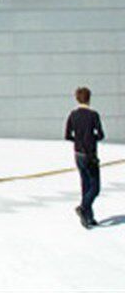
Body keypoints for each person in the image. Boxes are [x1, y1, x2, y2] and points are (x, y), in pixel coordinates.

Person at [64, 87, 105, 228]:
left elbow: (67, 135)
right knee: (95, 187)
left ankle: (88, 217)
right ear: (89, 99)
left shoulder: (73, 115)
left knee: (85, 185)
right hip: (90, 154)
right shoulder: (93, 115)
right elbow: (101, 135)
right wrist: (92, 139)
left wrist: (78, 140)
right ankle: (83, 208)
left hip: (78, 153)